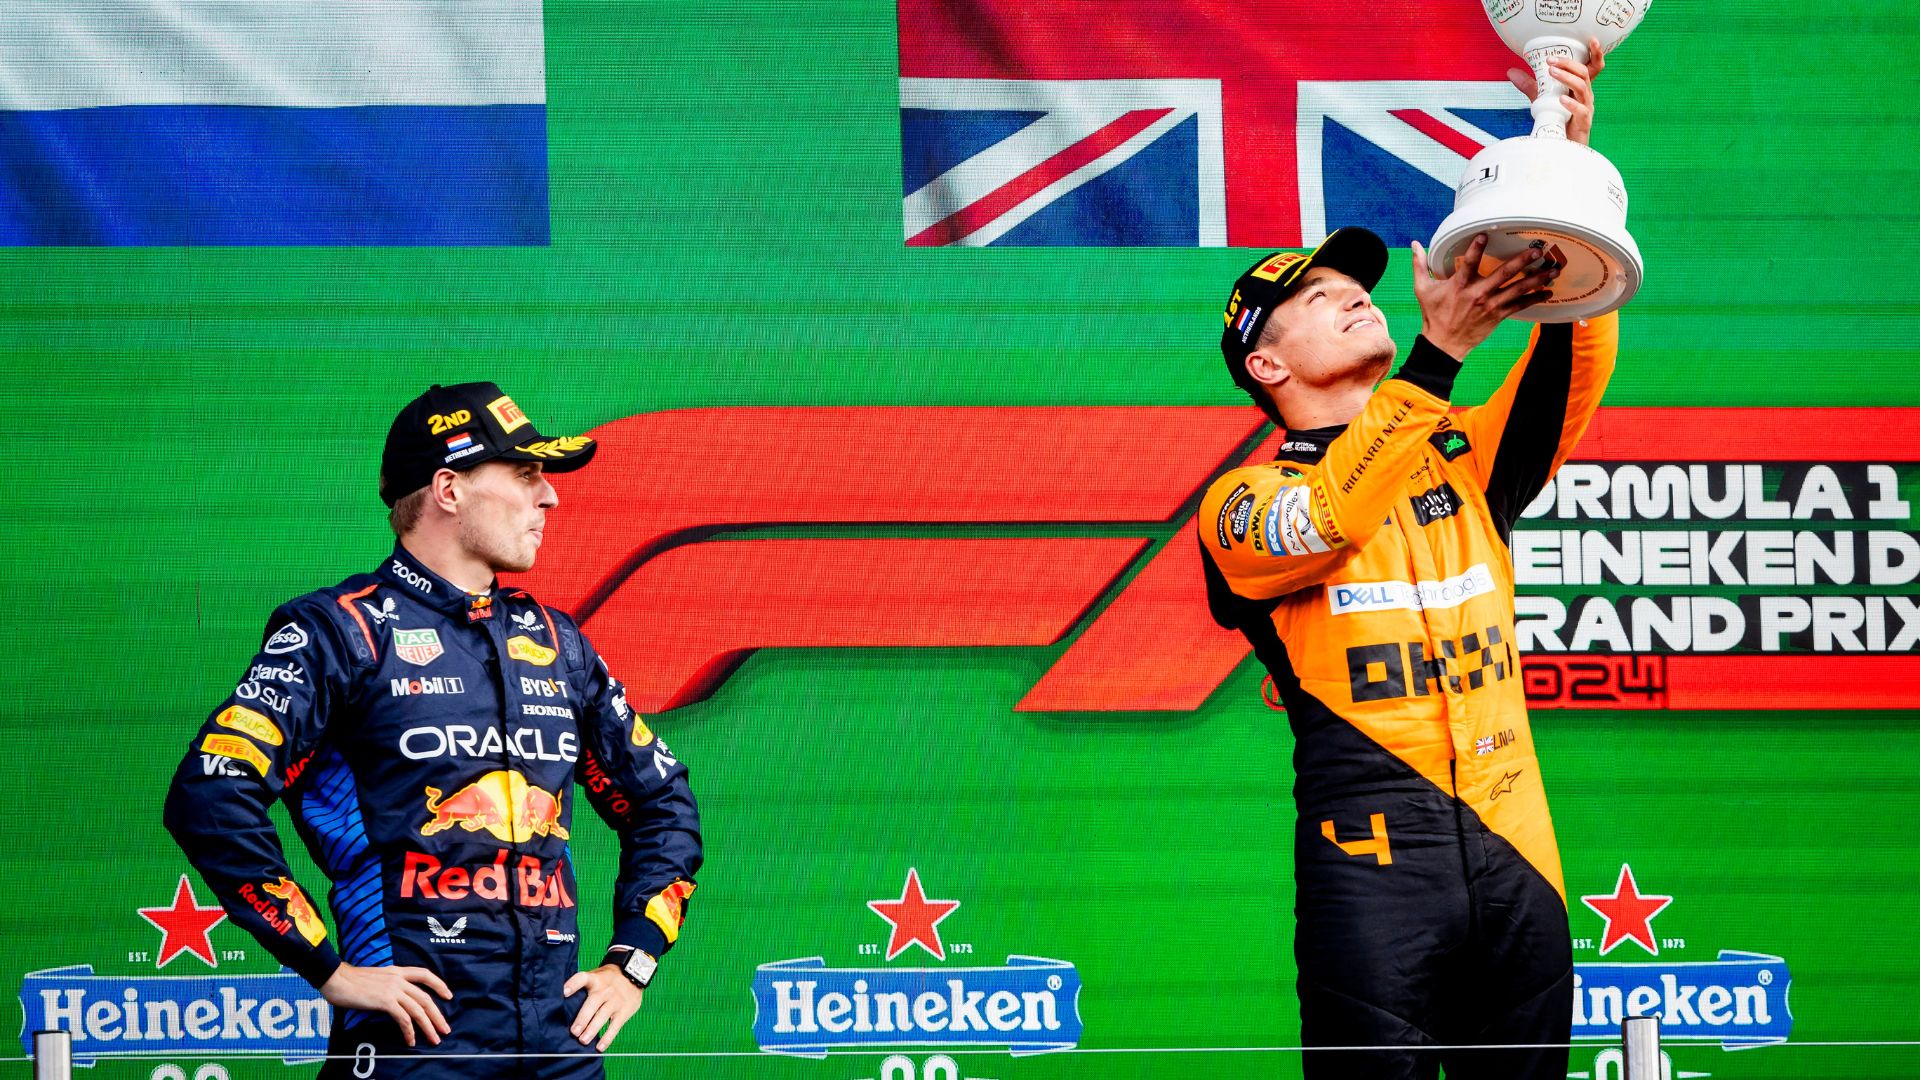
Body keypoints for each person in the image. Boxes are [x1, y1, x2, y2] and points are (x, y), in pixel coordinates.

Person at [1197, 45, 1614, 1080]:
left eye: (1360, 286)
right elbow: (1334, 514)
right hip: (1372, 879)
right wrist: (1436, 361)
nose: (1355, 298)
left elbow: (1580, 357)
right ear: (1267, 364)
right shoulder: (1241, 507)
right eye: (1318, 297)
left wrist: (1560, 183)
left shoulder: (1466, 452)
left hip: (1523, 861)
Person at [164, 382, 702, 1079]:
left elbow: (663, 803)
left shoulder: (556, 642)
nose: (550, 499)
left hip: (555, 1050)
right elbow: (211, 790)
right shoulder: (341, 631)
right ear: (449, 488)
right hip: (411, 1051)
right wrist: (327, 967)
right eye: (526, 475)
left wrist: (633, 959)